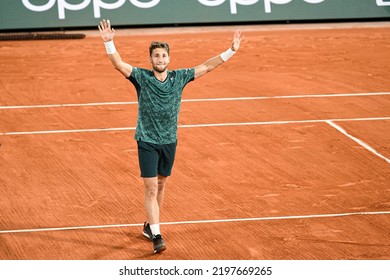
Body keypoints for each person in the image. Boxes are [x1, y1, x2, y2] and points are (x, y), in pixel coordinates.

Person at [98, 19, 243, 254]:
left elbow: (206, 67)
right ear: (151, 60)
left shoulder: (179, 78)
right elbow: (118, 64)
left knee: (162, 183)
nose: (160, 60)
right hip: (146, 140)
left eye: (164, 56)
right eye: (156, 56)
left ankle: (149, 226)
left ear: (169, 58)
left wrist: (230, 51)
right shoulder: (142, 78)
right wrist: (109, 43)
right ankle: (156, 234)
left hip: (169, 141)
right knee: (151, 188)